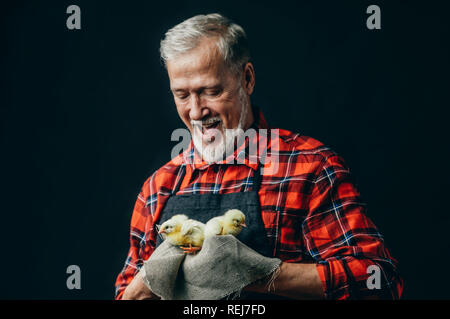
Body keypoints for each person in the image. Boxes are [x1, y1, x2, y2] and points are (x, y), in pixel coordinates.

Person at [115, 13, 403, 300]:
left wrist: (264, 274)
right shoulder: (159, 188)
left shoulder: (309, 168)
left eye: (211, 91)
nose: (196, 110)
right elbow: (126, 294)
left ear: (248, 79)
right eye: (182, 95)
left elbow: (379, 281)